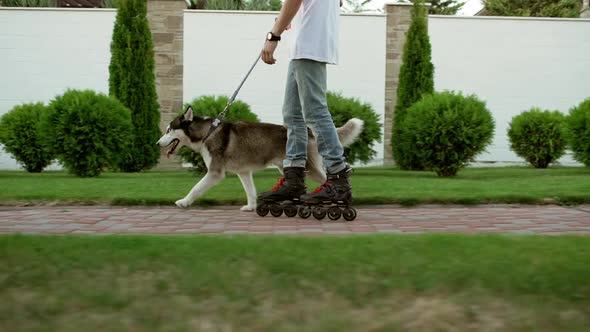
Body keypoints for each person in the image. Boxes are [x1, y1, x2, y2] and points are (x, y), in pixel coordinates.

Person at [258, 0, 353, 207]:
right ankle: (294, 178)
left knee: (315, 113)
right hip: (304, 45)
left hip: (309, 44)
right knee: (293, 115)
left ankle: (338, 178)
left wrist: (273, 35)